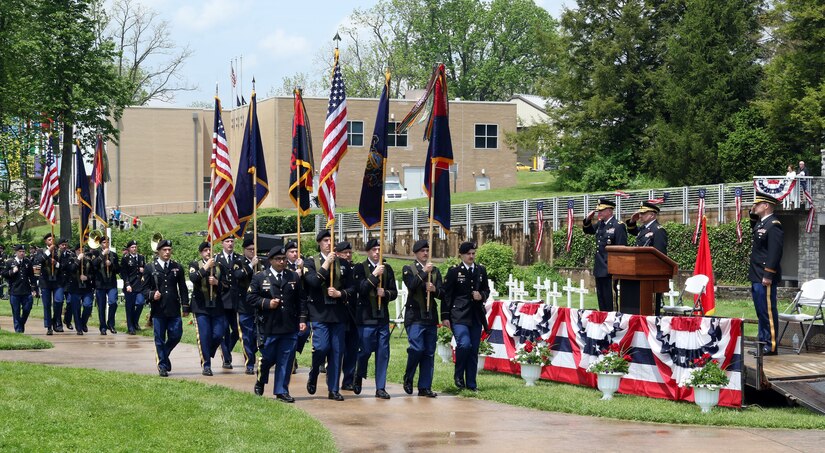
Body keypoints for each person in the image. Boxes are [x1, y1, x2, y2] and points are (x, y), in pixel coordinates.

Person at [249, 245, 308, 403]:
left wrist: (302, 320)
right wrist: (267, 303)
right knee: (267, 358)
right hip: (269, 326)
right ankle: (261, 380)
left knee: (286, 359)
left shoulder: (293, 276)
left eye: (283, 259)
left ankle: (282, 390)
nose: (282, 262)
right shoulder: (260, 277)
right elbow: (251, 298)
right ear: (270, 260)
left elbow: (301, 300)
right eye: (278, 259)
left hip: (289, 325)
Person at [304, 229, 354, 401]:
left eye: (331, 240)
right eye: (325, 240)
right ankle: (314, 371)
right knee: (321, 347)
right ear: (319, 243)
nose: (328, 243)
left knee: (336, 352)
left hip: (338, 313)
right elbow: (313, 282)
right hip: (319, 313)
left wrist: (340, 294)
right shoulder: (311, 262)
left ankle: (333, 389)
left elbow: (352, 288)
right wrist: (326, 265)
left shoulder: (344, 264)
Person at [353, 239, 398, 399]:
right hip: (365, 318)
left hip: (382, 318)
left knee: (383, 353)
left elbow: (394, 292)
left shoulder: (388, 269)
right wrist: (373, 276)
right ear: (368, 252)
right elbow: (361, 290)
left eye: (379, 249)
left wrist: (385, 293)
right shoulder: (359, 268)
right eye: (374, 249)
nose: (377, 252)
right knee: (365, 350)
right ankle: (359, 373)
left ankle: (380, 387)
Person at [442, 241, 490, 392]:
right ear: (461, 255)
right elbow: (447, 295)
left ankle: (471, 383)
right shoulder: (454, 271)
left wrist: (481, 295)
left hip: (475, 315)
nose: (471, 256)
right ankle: (458, 374)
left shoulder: (481, 270)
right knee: (464, 344)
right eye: (468, 254)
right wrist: (445, 316)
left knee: (473, 349)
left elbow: (486, 290)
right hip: (459, 315)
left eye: (473, 253)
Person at [402, 239, 443, 397]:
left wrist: (434, 289)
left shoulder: (436, 271)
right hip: (415, 316)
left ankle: (425, 386)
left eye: (427, 250)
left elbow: (442, 293)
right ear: (416, 253)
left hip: (430, 316)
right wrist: (424, 272)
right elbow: (411, 286)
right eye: (422, 251)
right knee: (417, 349)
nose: (425, 253)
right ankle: (409, 376)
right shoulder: (409, 269)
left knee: (429, 353)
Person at [143, 239, 189, 377]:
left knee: (176, 335)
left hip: (174, 308)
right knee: (159, 338)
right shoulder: (150, 267)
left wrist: (185, 306)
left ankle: (165, 353)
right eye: (164, 250)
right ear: (159, 251)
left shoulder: (177, 267)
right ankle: (162, 366)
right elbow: (143, 289)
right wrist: (152, 295)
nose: (167, 252)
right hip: (158, 309)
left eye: (169, 249)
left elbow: (183, 288)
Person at [749, 192, 784, 356]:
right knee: (760, 310)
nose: (754, 206)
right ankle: (762, 341)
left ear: (766, 206)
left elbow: (775, 252)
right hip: (756, 274)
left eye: (757, 204)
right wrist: (752, 211)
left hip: (765, 275)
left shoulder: (774, 224)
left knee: (768, 311)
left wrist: (768, 274)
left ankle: (771, 345)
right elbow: (752, 221)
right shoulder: (761, 223)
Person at [583, 198, 628, 312]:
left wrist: (617, 269)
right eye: (599, 211)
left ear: (609, 211)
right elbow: (588, 230)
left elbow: (621, 249)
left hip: (610, 268)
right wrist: (587, 219)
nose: (599, 213)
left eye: (602, 210)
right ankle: (603, 320)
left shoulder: (618, 226)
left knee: (610, 299)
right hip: (599, 267)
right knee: (601, 298)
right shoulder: (600, 224)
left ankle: (612, 322)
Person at [189, 242, 227, 376]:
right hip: (201, 307)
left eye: (210, 250)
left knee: (218, 334)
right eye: (205, 250)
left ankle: (210, 351)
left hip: (217, 306)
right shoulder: (195, 265)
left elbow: (227, 285)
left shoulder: (220, 267)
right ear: (201, 253)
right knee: (204, 336)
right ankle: (206, 365)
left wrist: (217, 283)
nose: (208, 252)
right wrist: (205, 267)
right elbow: (193, 278)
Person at [625, 201, 668, 315]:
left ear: (652, 215)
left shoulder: (658, 230)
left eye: (643, 213)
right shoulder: (644, 228)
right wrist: (632, 220)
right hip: (641, 272)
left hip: (651, 275)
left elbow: (660, 255)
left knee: (652, 309)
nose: (641, 216)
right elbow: (632, 231)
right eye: (640, 213)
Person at [235, 238, 261, 375]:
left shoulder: (260, 262)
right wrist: (251, 266)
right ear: (244, 250)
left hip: (258, 304)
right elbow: (237, 275)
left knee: (258, 335)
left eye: (254, 249)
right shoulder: (238, 261)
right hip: (244, 305)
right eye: (250, 249)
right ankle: (249, 363)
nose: (252, 252)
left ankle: (256, 356)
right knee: (247, 336)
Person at [335, 241, 359, 391]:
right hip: (339, 312)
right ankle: (333, 380)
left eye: (350, 252)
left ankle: (348, 379)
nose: (348, 255)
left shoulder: (357, 268)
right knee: (338, 349)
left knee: (352, 349)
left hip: (354, 313)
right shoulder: (335, 268)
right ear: (337, 254)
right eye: (345, 253)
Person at [216, 236, 242, 370]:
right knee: (224, 330)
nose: (230, 243)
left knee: (238, 331)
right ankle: (227, 358)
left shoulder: (239, 258)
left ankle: (227, 351)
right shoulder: (216, 259)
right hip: (222, 299)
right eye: (227, 241)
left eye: (232, 241)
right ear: (222, 243)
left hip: (236, 299)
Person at [284, 240, 309, 376]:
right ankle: (291, 360)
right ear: (286, 253)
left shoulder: (304, 264)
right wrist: (295, 275)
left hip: (303, 305)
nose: (294, 254)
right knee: (290, 335)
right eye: (292, 252)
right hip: (289, 305)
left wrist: (303, 270)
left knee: (304, 333)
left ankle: (293, 353)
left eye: (296, 251)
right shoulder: (284, 266)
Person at [33, 233, 67, 334]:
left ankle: (56, 321)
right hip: (45, 282)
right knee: (47, 304)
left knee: (59, 301)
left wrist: (56, 264)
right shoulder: (41, 251)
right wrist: (48, 252)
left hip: (57, 282)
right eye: (49, 239)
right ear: (45, 241)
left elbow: (64, 266)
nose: (51, 241)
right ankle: (49, 326)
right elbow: (38, 261)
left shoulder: (59, 252)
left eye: (52, 239)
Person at [3, 245, 38, 333]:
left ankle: (21, 323)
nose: (22, 253)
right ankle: (18, 330)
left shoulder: (27, 262)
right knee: (16, 311)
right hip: (15, 290)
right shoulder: (10, 262)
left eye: (23, 251)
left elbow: (32, 276)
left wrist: (34, 289)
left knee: (28, 308)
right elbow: (4, 274)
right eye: (20, 251)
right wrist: (12, 271)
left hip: (26, 290)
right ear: (16, 252)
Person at [92, 236, 121, 335]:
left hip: (111, 283)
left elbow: (118, 269)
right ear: (100, 244)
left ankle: (111, 323)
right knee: (101, 306)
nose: (106, 244)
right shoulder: (96, 253)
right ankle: (103, 326)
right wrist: (102, 256)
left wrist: (111, 265)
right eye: (104, 242)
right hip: (100, 284)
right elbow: (93, 265)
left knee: (113, 302)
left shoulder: (114, 255)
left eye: (108, 242)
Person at [66, 243, 94, 335]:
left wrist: (87, 278)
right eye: (79, 250)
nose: (81, 252)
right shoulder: (71, 260)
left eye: (82, 250)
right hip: (75, 288)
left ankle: (83, 323)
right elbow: (71, 269)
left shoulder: (88, 261)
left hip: (86, 288)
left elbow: (93, 274)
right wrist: (78, 259)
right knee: (76, 308)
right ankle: (79, 328)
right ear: (75, 251)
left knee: (88, 306)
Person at [120, 240, 146, 335]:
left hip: (139, 285)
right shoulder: (125, 258)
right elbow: (123, 273)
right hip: (130, 286)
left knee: (140, 303)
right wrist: (127, 284)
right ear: (129, 248)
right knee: (129, 307)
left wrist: (143, 270)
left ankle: (135, 321)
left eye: (135, 247)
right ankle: (130, 326)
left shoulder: (141, 257)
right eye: (132, 247)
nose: (134, 249)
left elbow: (145, 270)